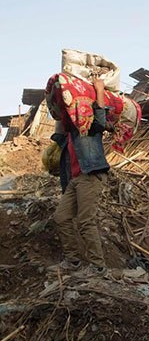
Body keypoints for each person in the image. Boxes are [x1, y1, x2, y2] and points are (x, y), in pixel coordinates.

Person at [49, 78, 111, 277]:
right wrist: (58, 106)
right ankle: (73, 260)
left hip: (90, 175)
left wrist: (99, 91)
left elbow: (101, 122)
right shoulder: (68, 134)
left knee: (85, 221)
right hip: (74, 180)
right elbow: (58, 132)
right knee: (61, 218)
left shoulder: (87, 126)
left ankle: (98, 266)